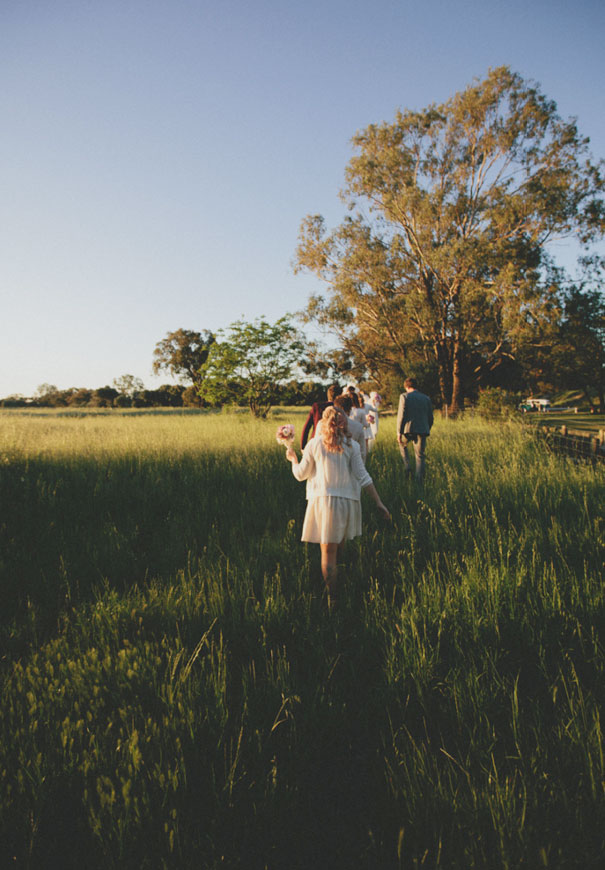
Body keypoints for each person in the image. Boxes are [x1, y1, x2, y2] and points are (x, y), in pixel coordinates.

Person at [286, 406, 390, 605]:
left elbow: (300, 474)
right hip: (347, 502)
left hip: (323, 502)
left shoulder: (314, 444)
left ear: (323, 422)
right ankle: (338, 580)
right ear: (343, 421)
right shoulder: (352, 445)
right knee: (338, 548)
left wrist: (292, 460)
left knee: (328, 552)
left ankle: (332, 599)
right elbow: (363, 476)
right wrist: (378, 502)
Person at [396, 377, 434, 481]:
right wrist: (427, 427)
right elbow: (430, 417)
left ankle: (407, 468)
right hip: (422, 430)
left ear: (406, 387)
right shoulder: (426, 398)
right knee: (420, 456)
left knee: (402, 445)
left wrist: (399, 432)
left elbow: (401, 415)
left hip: (407, 430)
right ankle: (419, 480)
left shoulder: (404, 396)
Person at [300, 384, 341, 449]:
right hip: (334, 445)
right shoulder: (340, 408)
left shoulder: (316, 406)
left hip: (315, 443)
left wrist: (303, 447)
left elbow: (306, 428)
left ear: (328, 395)